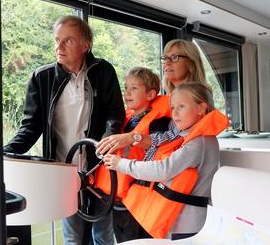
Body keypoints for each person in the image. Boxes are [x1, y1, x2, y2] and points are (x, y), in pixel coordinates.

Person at [3, 15, 125, 245]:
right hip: (64, 173)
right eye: (57, 40)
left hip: (99, 168)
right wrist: (2, 153)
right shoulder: (42, 77)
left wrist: (107, 144)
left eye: (68, 40)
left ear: (85, 45)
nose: (59, 46)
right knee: (73, 238)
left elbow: (115, 113)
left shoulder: (103, 71)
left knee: (103, 235)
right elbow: (30, 128)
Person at [102, 82, 229, 239]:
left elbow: (163, 170)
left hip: (189, 225)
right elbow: (160, 140)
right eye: (173, 107)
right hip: (181, 220)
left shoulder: (199, 142)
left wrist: (120, 164)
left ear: (200, 109)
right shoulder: (189, 137)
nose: (174, 113)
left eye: (181, 106)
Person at [94, 67, 170, 242]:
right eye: (126, 88)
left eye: (134, 88)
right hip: (118, 200)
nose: (127, 93)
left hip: (138, 202)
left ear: (150, 95)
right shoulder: (125, 120)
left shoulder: (158, 123)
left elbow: (157, 144)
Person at [96, 39, 209, 154]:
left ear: (191, 64)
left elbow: (177, 138)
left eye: (175, 57)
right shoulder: (163, 101)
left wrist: (132, 138)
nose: (167, 63)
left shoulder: (199, 99)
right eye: (165, 58)